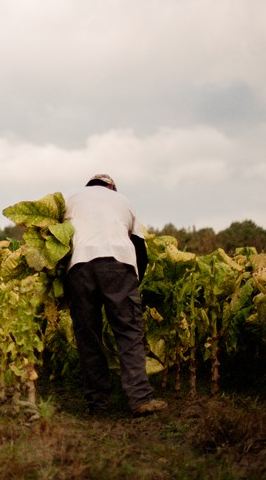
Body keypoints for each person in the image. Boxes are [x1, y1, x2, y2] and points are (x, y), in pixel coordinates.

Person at [64, 174, 167, 417]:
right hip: (118, 265)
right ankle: (140, 398)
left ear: (89, 185)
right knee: (128, 331)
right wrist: (134, 284)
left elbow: (55, 240)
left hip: (79, 266)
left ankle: (97, 404)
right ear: (111, 187)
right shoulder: (122, 200)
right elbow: (140, 248)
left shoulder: (70, 199)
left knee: (88, 335)